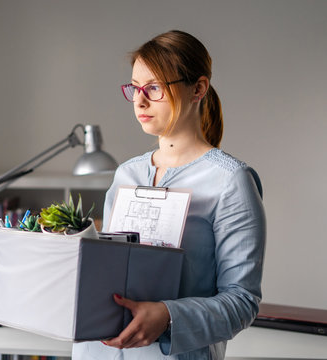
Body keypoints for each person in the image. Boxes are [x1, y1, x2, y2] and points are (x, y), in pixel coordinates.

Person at [72, 30, 266, 359]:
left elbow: (241, 301)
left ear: (198, 89)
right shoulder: (126, 174)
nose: (140, 100)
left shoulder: (230, 181)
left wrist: (168, 317)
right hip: (98, 351)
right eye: (134, 87)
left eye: (155, 87)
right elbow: (109, 271)